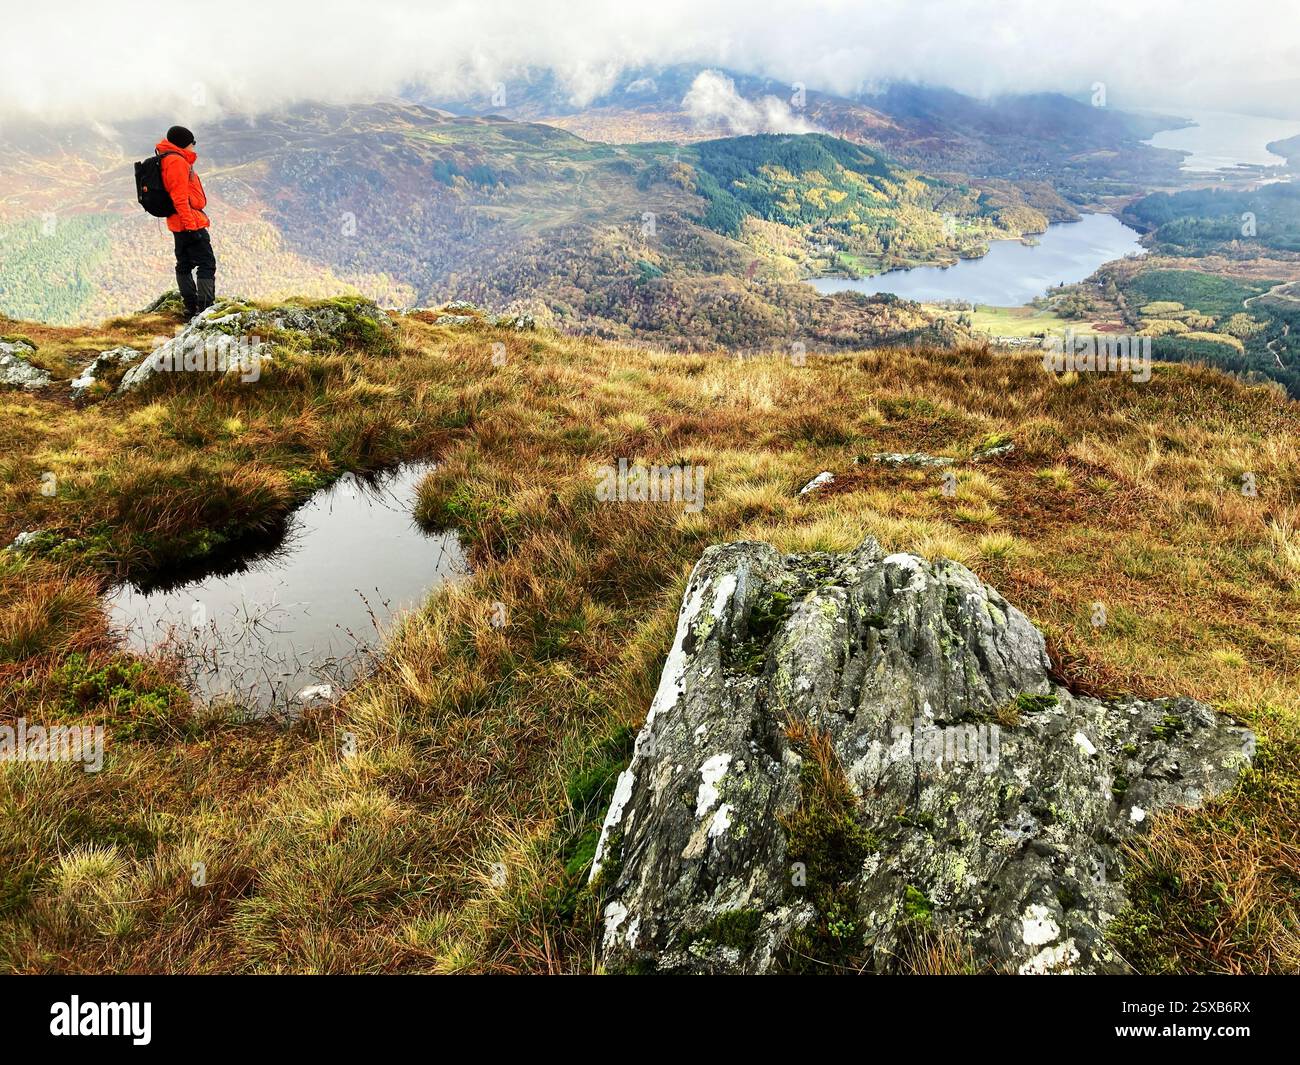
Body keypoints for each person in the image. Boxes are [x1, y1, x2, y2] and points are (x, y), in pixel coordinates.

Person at [156, 125, 216, 318]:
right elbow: (180, 197)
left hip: (178, 222)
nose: (194, 147)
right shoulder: (177, 162)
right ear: (184, 143)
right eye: (192, 143)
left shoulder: (167, 158)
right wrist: (192, 227)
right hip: (188, 222)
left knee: (185, 263)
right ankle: (204, 309)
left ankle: (191, 307)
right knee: (206, 263)